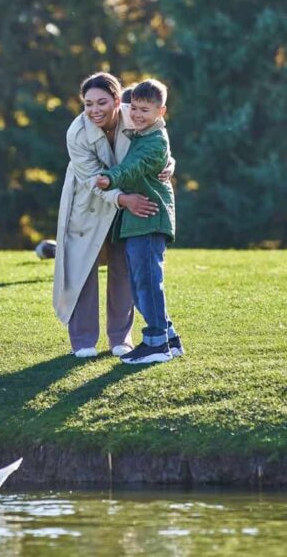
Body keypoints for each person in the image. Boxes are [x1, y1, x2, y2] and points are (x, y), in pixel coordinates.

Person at [53, 72, 173, 358]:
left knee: (123, 266)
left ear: (118, 101)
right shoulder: (77, 133)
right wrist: (122, 198)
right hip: (88, 201)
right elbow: (92, 178)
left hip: (128, 200)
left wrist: (170, 162)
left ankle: (121, 337)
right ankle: (83, 341)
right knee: (82, 269)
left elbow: (158, 138)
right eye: (88, 104)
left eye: (102, 102)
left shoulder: (135, 114)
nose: (94, 110)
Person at [95, 79, 182, 364]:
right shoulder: (144, 135)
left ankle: (156, 344)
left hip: (148, 218)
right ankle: (169, 338)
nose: (138, 115)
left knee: (147, 282)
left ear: (161, 111)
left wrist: (111, 178)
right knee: (143, 281)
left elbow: (136, 166)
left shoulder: (153, 141)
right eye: (135, 108)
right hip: (140, 220)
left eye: (145, 110)